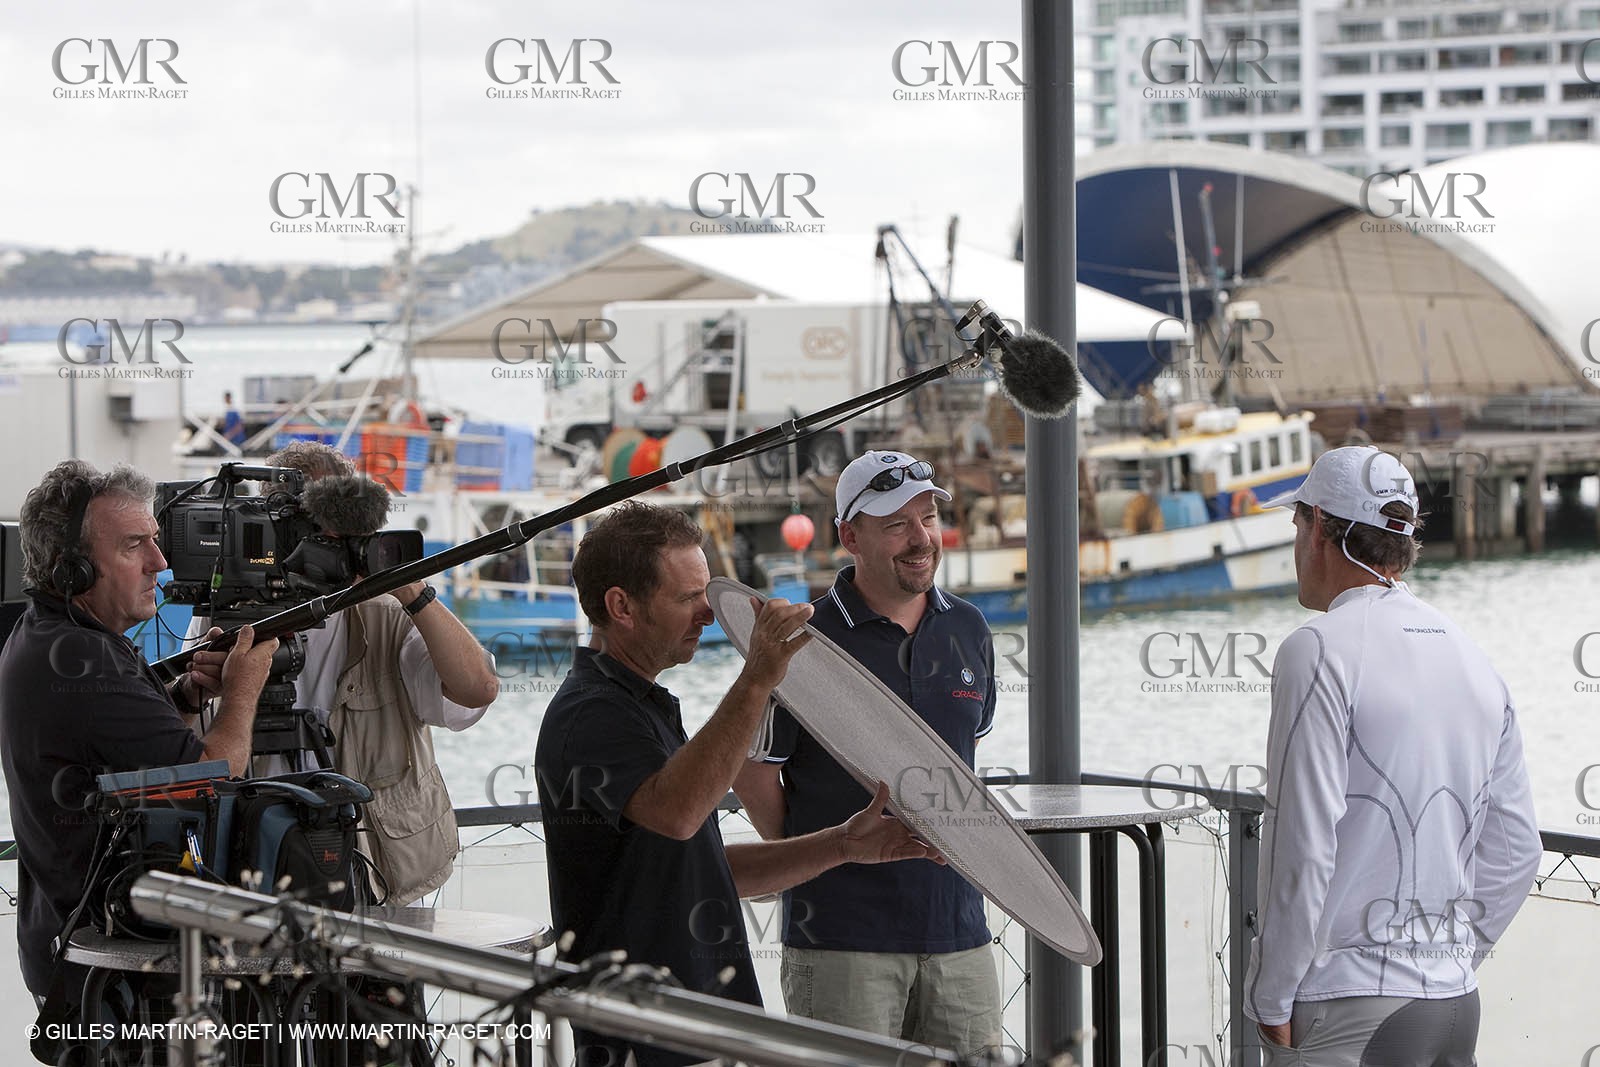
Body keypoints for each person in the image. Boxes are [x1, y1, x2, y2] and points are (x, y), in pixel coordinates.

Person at [536, 501, 941, 1067]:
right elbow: (679, 814)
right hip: (643, 1030)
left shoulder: (639, 704)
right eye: (686, 598)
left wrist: (841, 844)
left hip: (698, 1021)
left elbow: (701, 866)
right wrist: (759, 675)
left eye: (706, 593)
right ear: (621, 606)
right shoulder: (592, 713)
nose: (707, 613)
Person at [1243, 446, 1541, 1066]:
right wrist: (1451, 954)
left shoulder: (1317, 651)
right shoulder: (1472, 658)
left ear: (1322, 528)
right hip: (1453, 1003)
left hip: (1347, 1007)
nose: (1295, 542)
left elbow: (1302, 845)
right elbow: (1517, 852)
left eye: (1296, 523)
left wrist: (1269, 1001)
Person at [733, 449, 1001, 1056]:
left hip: (961, 931)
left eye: (927, 518)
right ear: (849, 535)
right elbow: (752, 772)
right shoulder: (803, 640)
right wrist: (820, 860)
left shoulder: (969, 628)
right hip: (840, 939)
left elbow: (965, 750)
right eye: (896, 524)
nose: (920, 538)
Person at [0, 460, 277, 1012]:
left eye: (155, 540)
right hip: (110, 966)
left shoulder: (44, 634)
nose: (160, 562)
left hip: (75, 943)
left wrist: (185, 699)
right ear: (72, 569)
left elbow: (110, 753)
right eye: (133, 546)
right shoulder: (84, 657)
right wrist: (244, 689)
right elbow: (216, 775)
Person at [206, 440, 501, 905]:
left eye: (341, 530)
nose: (327, 547)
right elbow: (199, 755)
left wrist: (408, 587)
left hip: (379, 875)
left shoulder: (389, 615)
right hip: (263, 868)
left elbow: (477, 689)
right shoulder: (231, 617)